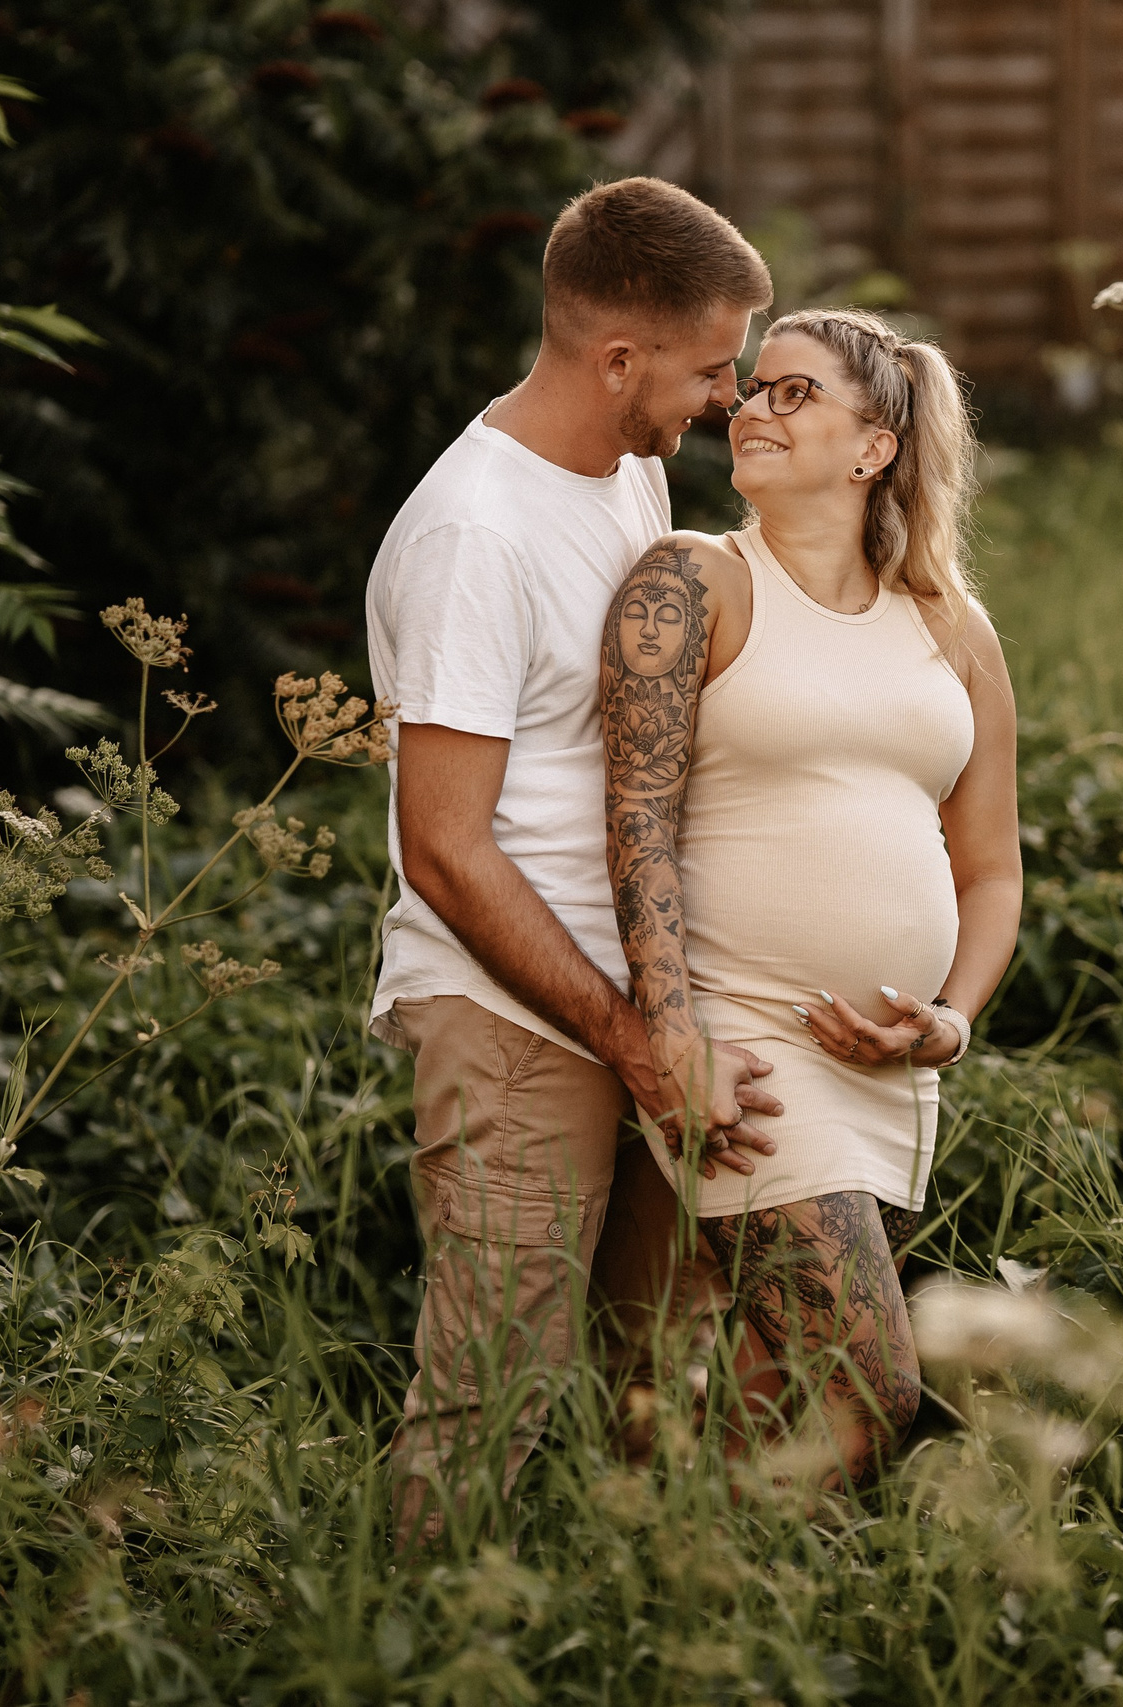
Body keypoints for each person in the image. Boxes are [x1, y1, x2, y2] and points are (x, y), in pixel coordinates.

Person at [364, 176, 785, 1544]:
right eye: (715, 366)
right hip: (516, 1015)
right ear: (620, 357)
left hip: (637, 1008)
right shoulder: (475, 535)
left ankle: (621, 1629)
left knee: (655, 1369)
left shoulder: (629, 471)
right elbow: (443, 845)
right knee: (493, 1390)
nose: (729, 395)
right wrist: (623, 1030)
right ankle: (410, 1640)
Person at [601, 307, 1023, 1484]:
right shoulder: (692, 581)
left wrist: (951, 1021)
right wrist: (673, 1034)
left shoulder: (954, 626)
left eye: (794, 394)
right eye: (752, 392)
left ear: (873, 446)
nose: (751, 409)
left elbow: (989, 866)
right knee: (867, 1393)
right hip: (747, 1053)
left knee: (765, 1395)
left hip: (886, 1070)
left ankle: (686, 1603)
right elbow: (635, 826)